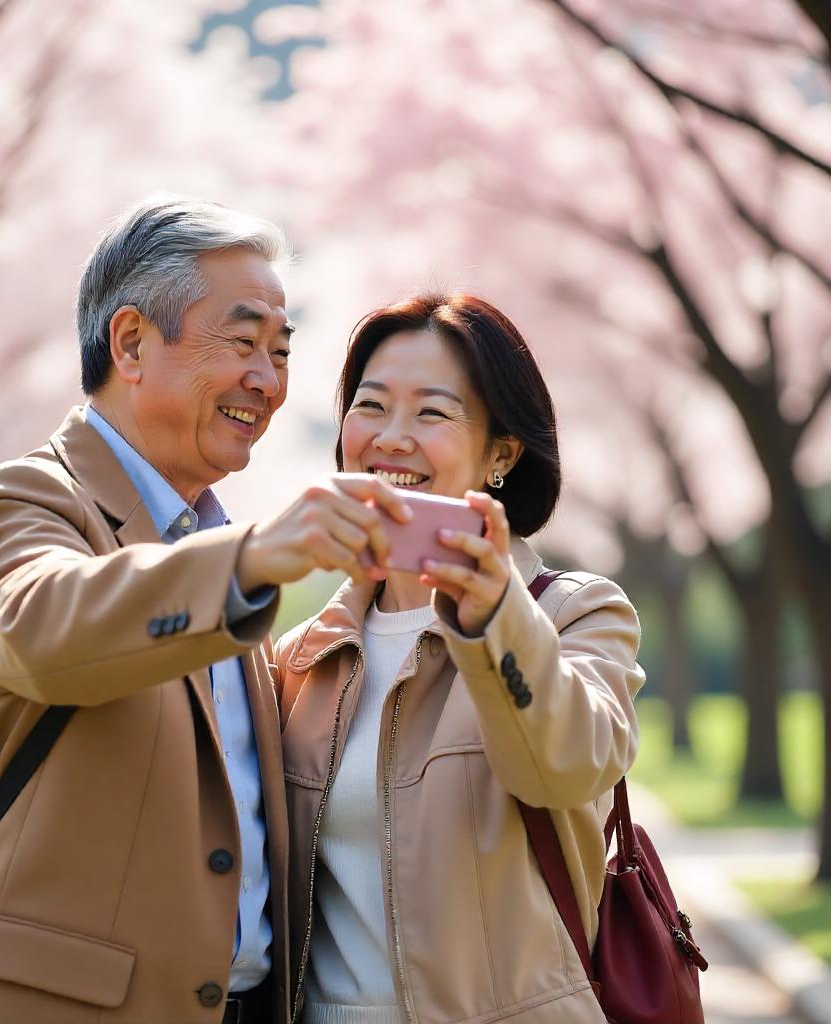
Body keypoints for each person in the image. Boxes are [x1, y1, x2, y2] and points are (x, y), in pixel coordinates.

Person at [0, 197, 411, 1024]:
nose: (268, 382)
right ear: (131, 343)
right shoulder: (26, 500)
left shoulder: (216, 548)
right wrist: (252, 560)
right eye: (242, 344)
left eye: (280, 353)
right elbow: (44, 624)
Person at [274, 294, 646, 1024]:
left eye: (432, 414)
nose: (391, 438)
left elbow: (564, 764)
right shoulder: (302, 657)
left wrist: (493, 613)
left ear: (501, 453)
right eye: (370, 406)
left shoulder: (574, 615)